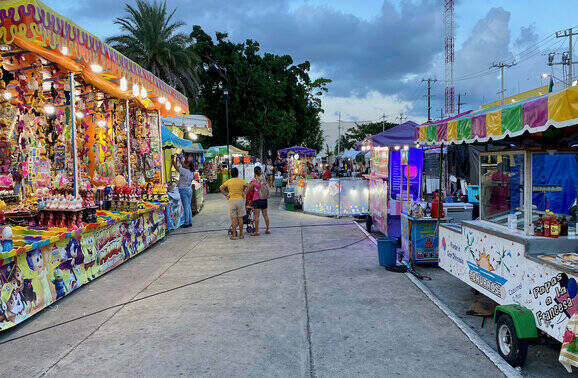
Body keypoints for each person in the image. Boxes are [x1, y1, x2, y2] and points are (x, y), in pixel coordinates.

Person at [220, 167, 248, 240]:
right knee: (240, 218)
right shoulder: (241, 181)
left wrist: (226, 194)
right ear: (238, 173)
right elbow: (249, 186)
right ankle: (241, 235)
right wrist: (245, 193)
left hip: (232, 201)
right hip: (240, 201)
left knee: (234, 219)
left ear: (231, 174)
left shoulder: (229, 181)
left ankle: (234, 235)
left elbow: (221, 188)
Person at [172, 155, 194, 228]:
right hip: (189, 189)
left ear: (188, 166)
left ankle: (187, 222)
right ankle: (190, 221)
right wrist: (179, 159)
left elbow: (176, 167)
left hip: (183, 190)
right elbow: (183, 165)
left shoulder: (184, 170)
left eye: (186, 164)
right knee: (188, 206)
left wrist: (172, 160)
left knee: (185, 207)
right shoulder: (191, 172)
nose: (184, 164)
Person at [248, 166, 270, 236]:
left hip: (257, 200)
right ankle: (267, 229)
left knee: (256, 216)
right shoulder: (264, 179)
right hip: (264, 199)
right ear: (260, 171)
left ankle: (256, 232)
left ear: (254, 172)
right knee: (265, 215)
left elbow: (249, 190)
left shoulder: (253, 181)